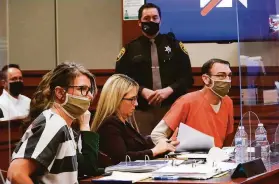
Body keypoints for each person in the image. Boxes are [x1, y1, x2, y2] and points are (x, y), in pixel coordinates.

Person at [7, 62, 99, 184]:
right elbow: (16, 173)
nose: (90, 96)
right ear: (60, 93)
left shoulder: (64, 126)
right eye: (82, 89)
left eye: (89, 90)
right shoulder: (53, 124)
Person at [115, 3, 194, 135]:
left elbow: (187, 78)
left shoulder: (175, 45)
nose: (151, 21)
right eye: (146, 18)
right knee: (143, 146)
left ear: (160, 20)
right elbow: (120, 79)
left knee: (172, 146)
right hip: (141, 109)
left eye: (154, 18)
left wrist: (169, 90)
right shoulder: (130, 49)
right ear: (139, 22)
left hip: (171, 107)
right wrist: (141, 90)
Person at [91, 74, 179, 166]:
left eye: (136, 98)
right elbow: (121, 159)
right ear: (116, 99)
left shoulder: (124, 123)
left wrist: (167, 144)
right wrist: (154, 151)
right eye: (132, 99)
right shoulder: (109, 125)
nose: (136, 104)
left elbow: (143, 147)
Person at [151, 59, 234, 148]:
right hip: (189, 159)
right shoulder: (187, 101)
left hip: (217, 158)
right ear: (206, 79)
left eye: (229, 76)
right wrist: (169, 147)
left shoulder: (228, 102)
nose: (227, 80)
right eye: (221, 76)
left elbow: (228, 140)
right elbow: (157, 134)